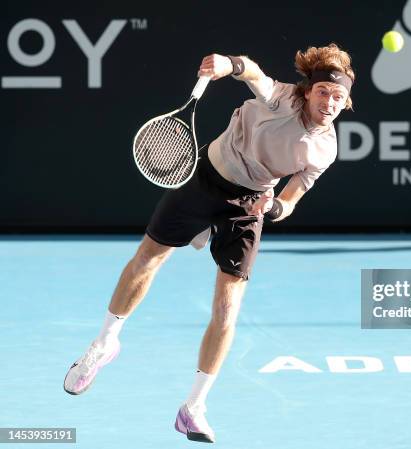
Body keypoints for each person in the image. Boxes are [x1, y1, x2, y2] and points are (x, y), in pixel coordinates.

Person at [63, 43, 355, 443]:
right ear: (308, 91)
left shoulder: (326, 148)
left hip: (249, 205)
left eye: (338, 96)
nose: (329, 101)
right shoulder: (282, 97)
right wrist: (230, 65)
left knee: (227, 308)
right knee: (149, 257)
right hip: (206, 179)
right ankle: (104, 343)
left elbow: (289, 201)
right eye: (323, 91)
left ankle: (193, 408)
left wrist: (272, 210)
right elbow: (254, 74)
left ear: (346, 101)